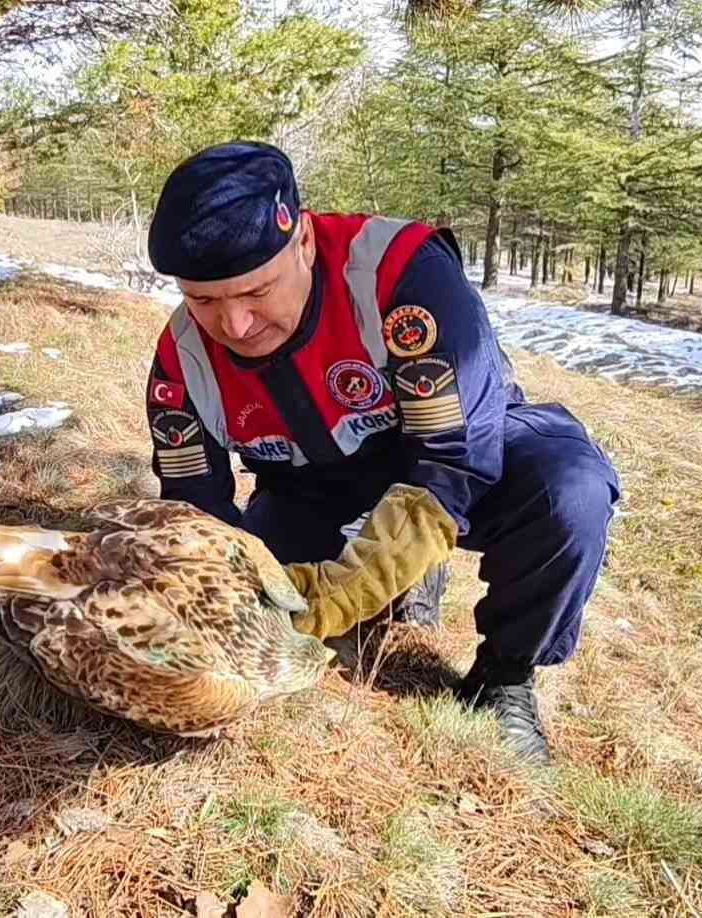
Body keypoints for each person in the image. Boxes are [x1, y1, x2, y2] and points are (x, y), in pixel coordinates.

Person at [142, 141, 620, 763]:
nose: (236, 326)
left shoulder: (400, 275)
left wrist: (355, 584)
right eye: (204, 300)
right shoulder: (181, 364)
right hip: (307, 484)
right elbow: (197, 519)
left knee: (569, 490)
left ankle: (504, 677)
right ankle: (400, 571)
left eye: (257, 291)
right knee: (264, 608)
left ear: (305, 242)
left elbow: (451, 464)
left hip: (450, 454)